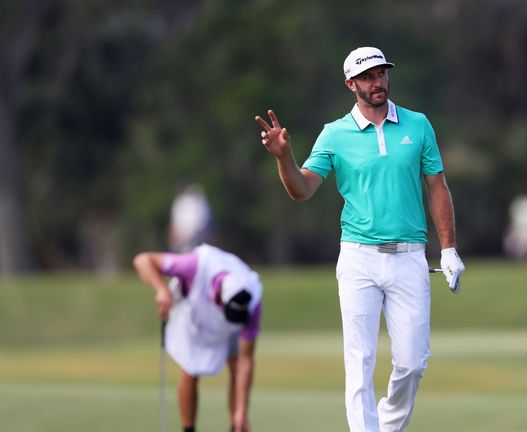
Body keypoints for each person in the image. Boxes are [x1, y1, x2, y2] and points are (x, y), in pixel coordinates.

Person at [254, 46, 464, 432]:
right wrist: (283, 159)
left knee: (413, 362)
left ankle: (386, 427)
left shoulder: (418, 125)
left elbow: (437, 187)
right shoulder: (334, 134)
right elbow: (302, 189)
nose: (377, 82)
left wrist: (448, 248)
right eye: (367, 77)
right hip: (358, 258)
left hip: (409, 256)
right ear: (351, 84)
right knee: (360, 360)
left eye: (381, 73)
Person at [133, 243, 263, 432]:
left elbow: (246, 359)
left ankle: (237, 425)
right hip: (195, 311)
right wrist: (161, 289)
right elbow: (143, 260)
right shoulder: (193, 265)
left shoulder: (253, 299)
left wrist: (242, 410)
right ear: (220, 297)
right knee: (190, 370)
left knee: (236, 364)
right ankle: (189, 429)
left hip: (224, 326)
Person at [168, 182, 213, 253]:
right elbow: (174, 223)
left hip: (198, 240)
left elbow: (201, 221)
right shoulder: (179, 202)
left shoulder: (198, 201)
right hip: (184, 243)